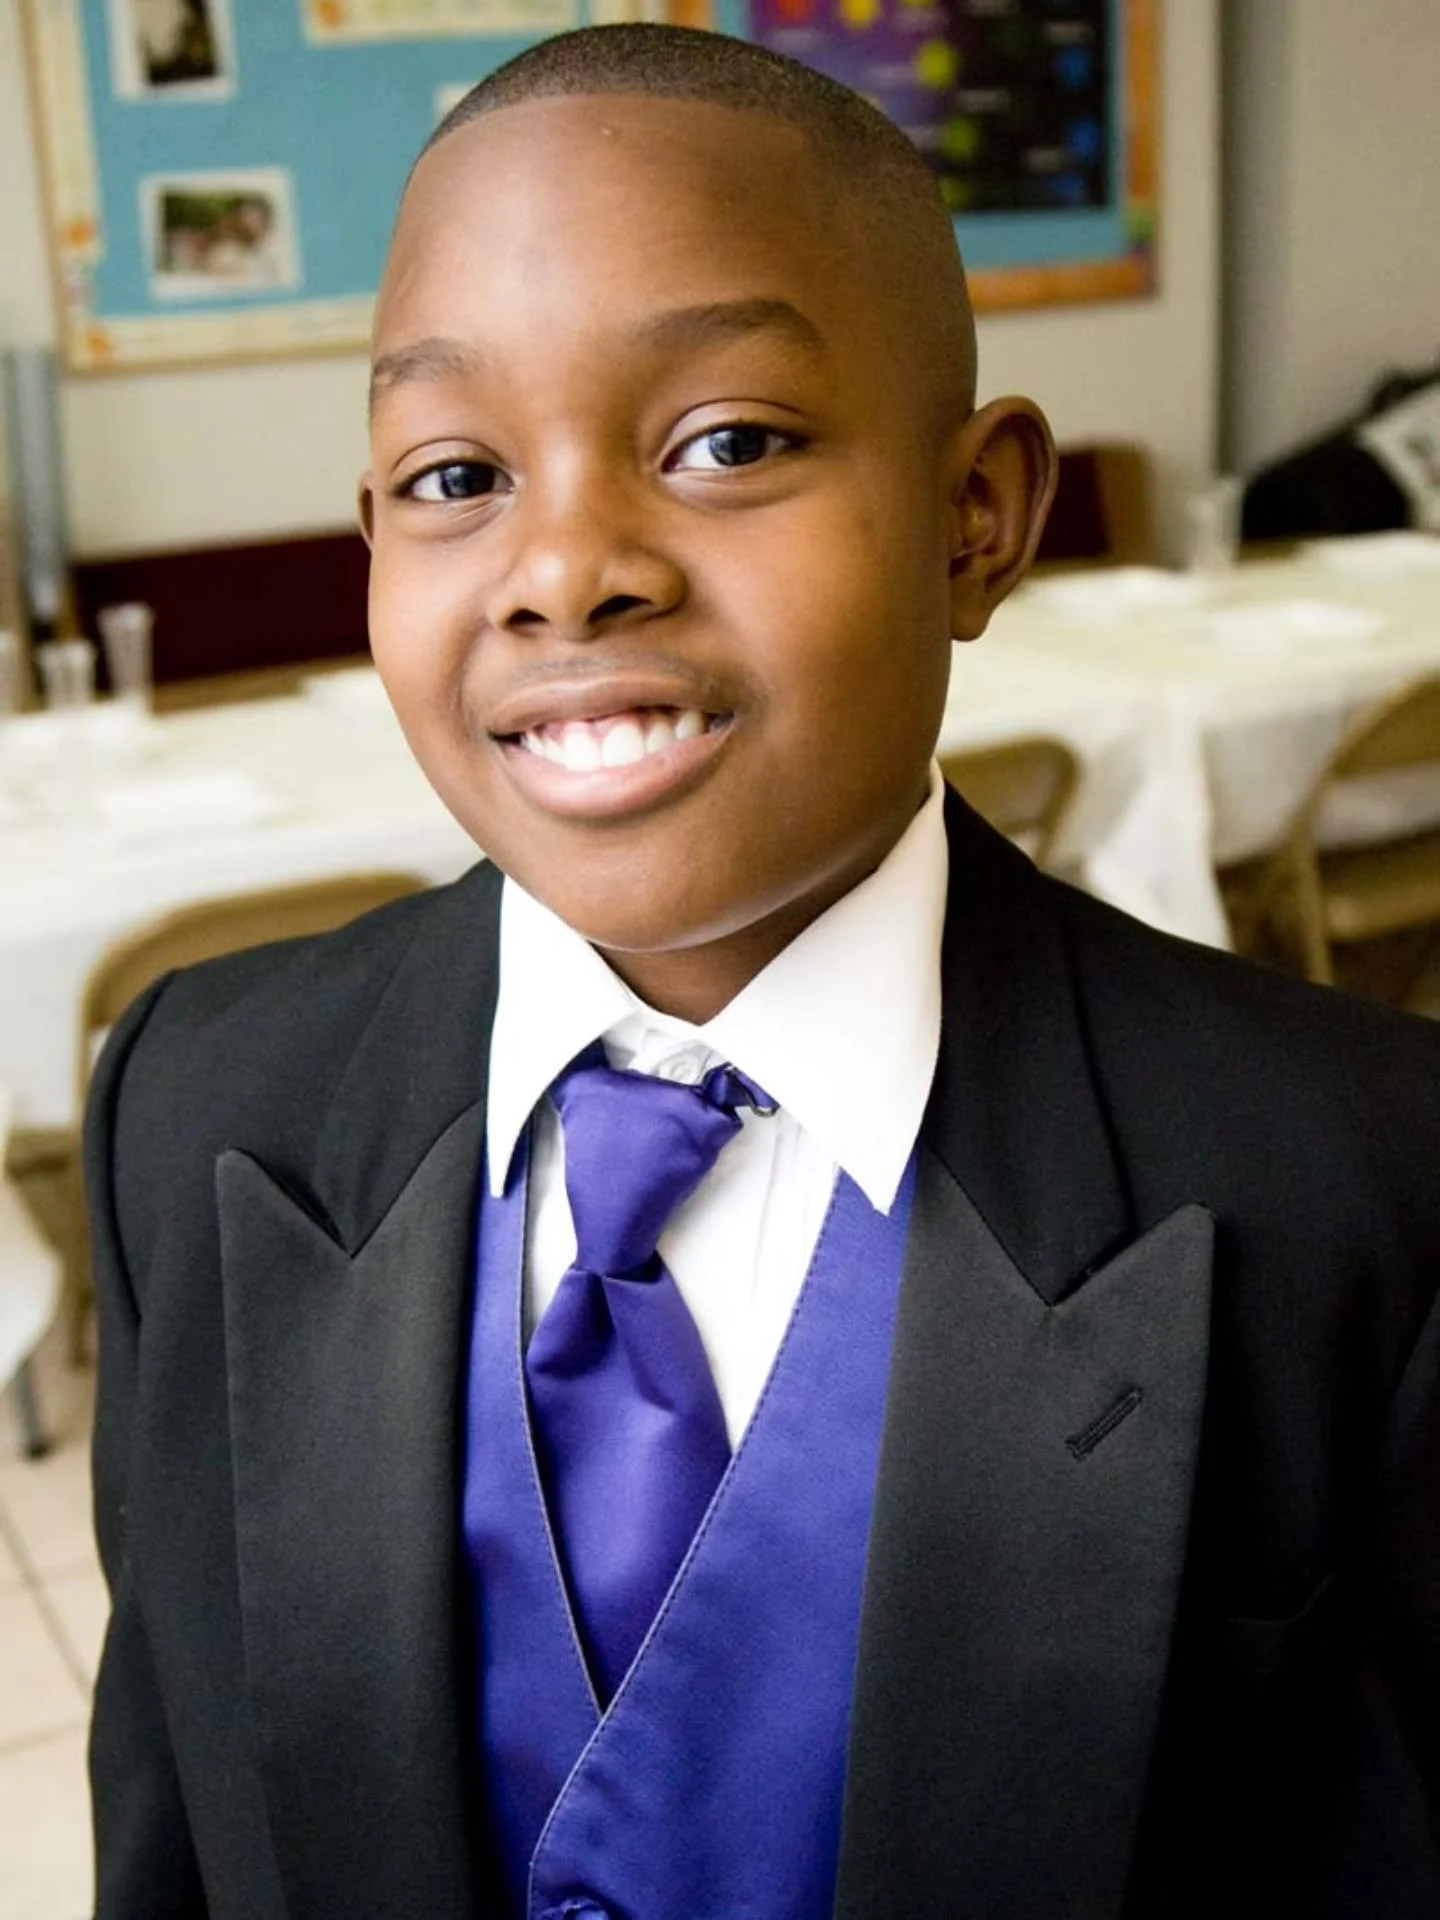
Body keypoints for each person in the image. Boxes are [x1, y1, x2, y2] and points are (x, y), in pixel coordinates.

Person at [85, 25, 1440, 1920]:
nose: (564, 571)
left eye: (727, 441)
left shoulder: (1360, 1188)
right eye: (458, 471)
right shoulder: (200, 1106)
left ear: (980, 516)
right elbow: (175, 1830)